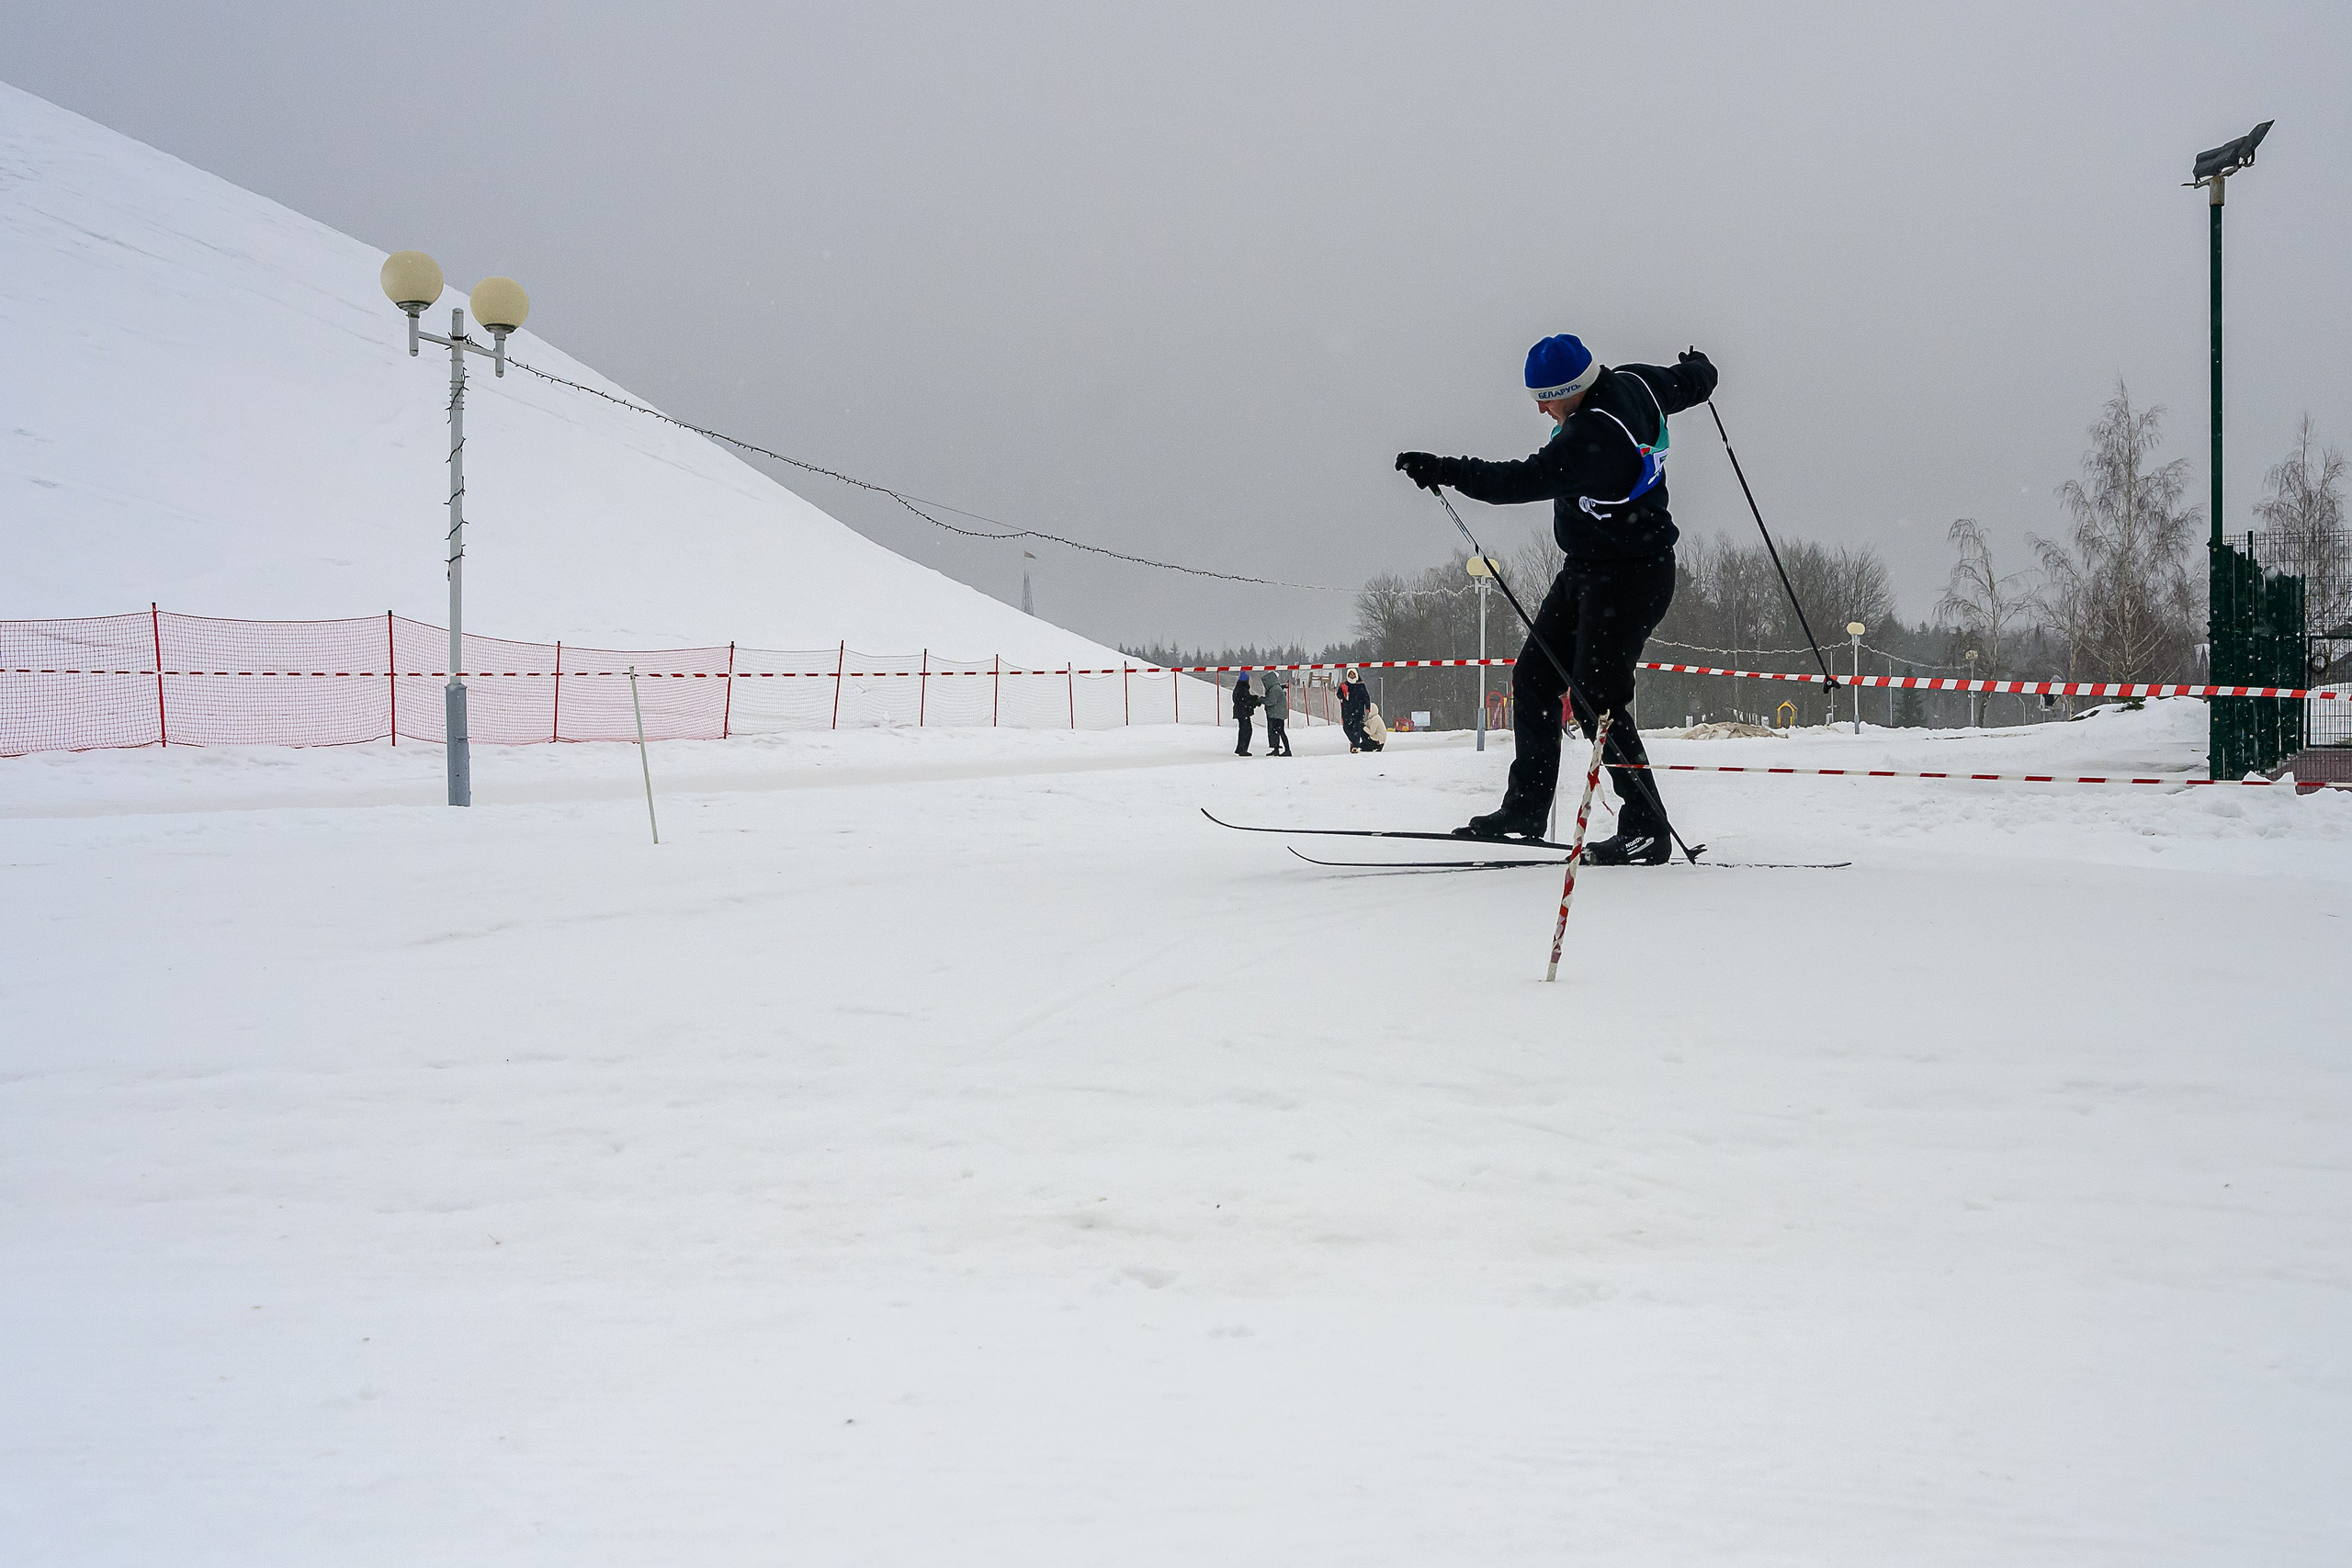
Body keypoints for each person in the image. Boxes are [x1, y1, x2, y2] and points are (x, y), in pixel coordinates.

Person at [1396, 333, 1716, 864]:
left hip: (1631, 578)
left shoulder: (1594, 438)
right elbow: (1691, 383)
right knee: (1536, 678)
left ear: (1571, 389)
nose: (1543, 409)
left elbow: (1517, 480)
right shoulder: (1638, 381)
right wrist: (1701, 368)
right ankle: (1525, 810)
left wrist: (1445, 469)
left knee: (1598, 700)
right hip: (1587, 569)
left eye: (1546, 398)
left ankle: (1646, 829)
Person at [1338, 668, 1383, 752]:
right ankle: (1353, 742)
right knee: (1346, 728)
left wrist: (1368, 707)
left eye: (1353, 674)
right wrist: (1343, 693)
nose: (1352, 676)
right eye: (1350, 674)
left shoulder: (1360, 685)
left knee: (1356, 729)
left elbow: (1366, 696)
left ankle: (1355, 746)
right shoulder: (1344, 685)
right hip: (1347, 711)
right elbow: (1339, 695)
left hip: (1358, 711)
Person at [1260, 666, 1294, 756]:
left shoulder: (1274, 689)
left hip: (1277, 715)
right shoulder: (1276, 688)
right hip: (1277, 714)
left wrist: (1260, 700)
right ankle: (1276, 750)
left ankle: (1287, 750)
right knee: (1277, 732)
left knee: (1280, 732)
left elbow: (1270, 701)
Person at [1232, 671, 1261, 756]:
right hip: (1243, 713)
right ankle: (1243, 749)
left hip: (1240, 712)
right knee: (1247, 731)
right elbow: (1246, 700)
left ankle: (1240, 748)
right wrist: (1255, 700)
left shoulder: (1239, 688)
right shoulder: (1243, 689)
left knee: (1242, 730)